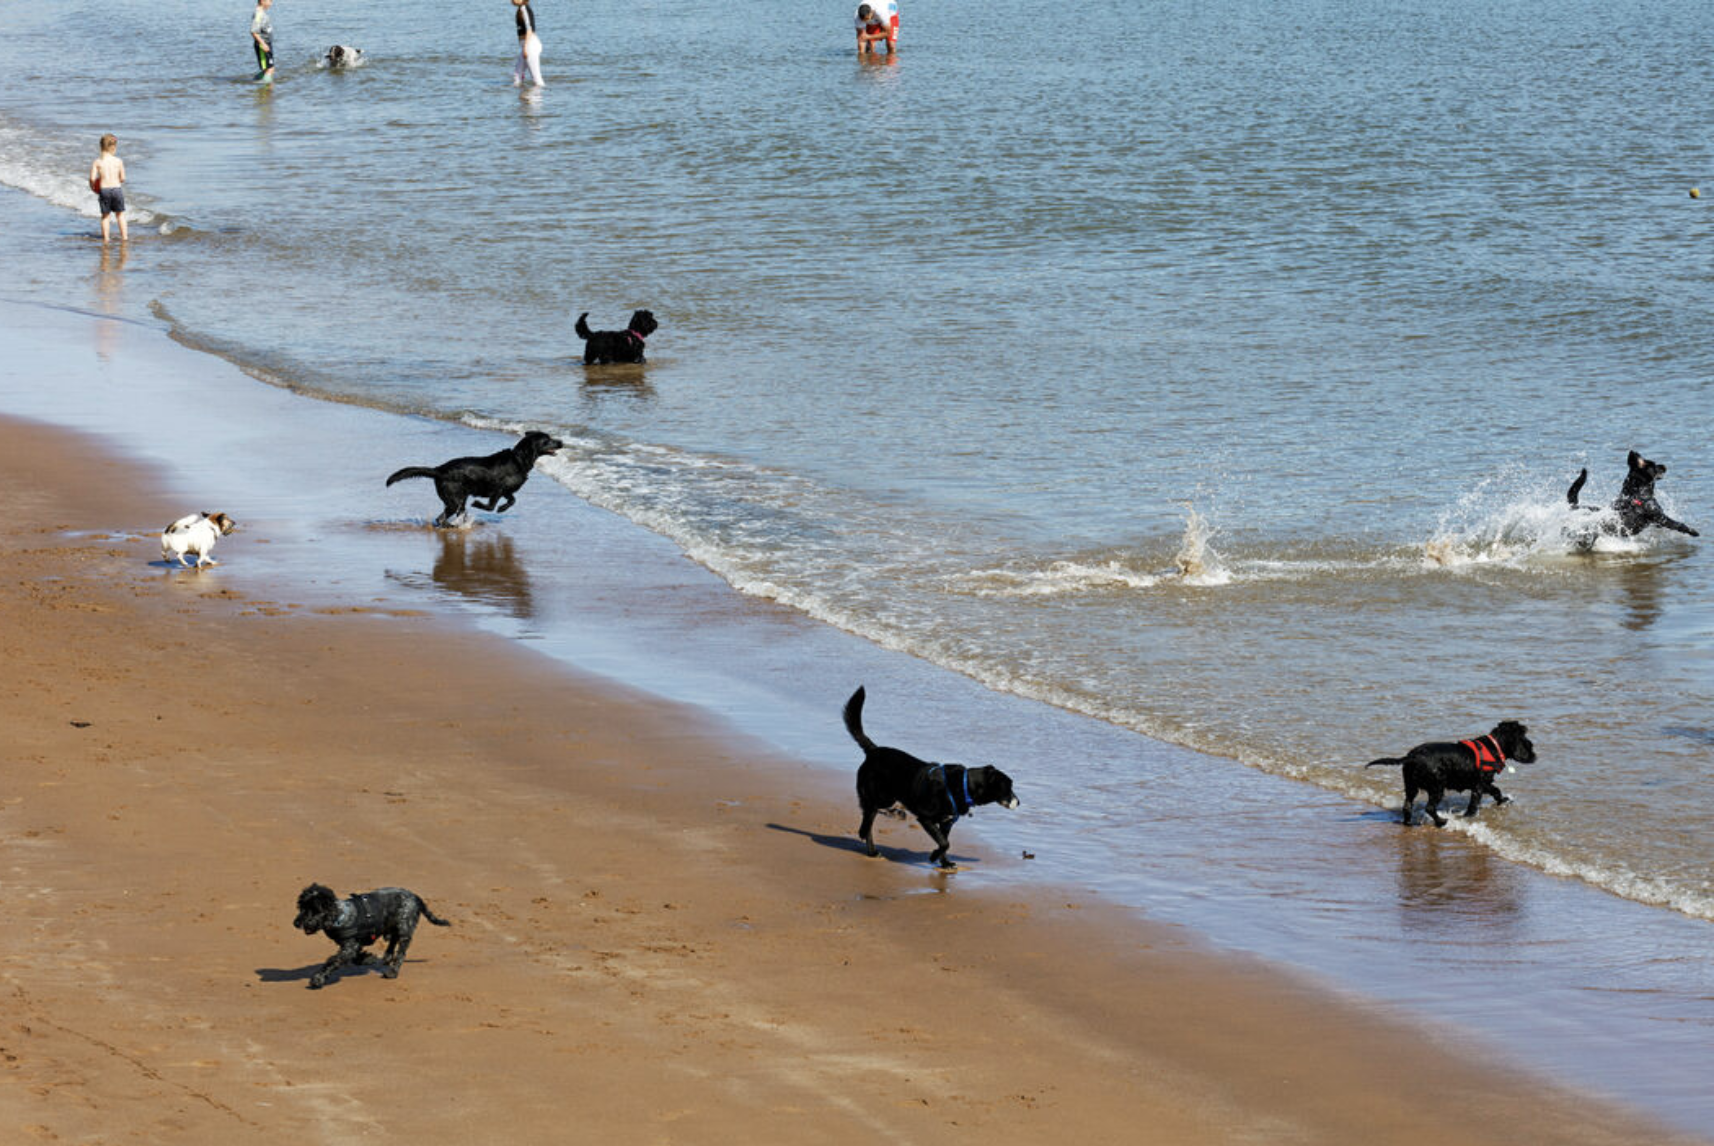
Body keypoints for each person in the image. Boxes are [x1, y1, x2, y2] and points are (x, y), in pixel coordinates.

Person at [88, 134, 128, 243]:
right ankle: (124, 237)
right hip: (117, 190)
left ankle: (106, 239)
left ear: (101, 147)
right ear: (114, 147)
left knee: (105, 216)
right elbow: (123, 178)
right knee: (120, 214)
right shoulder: (118, 161)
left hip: (104, 190)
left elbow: (92, 178)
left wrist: (92, 186)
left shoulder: (97, 162)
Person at [512, 0, 545, 88]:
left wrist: (525, 48)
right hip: (527, 45)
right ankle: (521, 98)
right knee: (517, 75)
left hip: (530, 46)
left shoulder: (524, 9)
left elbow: (529, 29)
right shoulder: (520, 9)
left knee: (537, 79)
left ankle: (538, 99)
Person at [251, 0, 275, 79]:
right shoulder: (258, 14)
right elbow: (253, 31)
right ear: (262, 1)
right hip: (263, 45)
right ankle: (267, 90)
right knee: (270, 69)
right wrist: (263, 44)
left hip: (267, 44)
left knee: (268, 69)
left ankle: (256, 82)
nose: (271, 4)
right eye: (270, 1)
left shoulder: (262, 13)